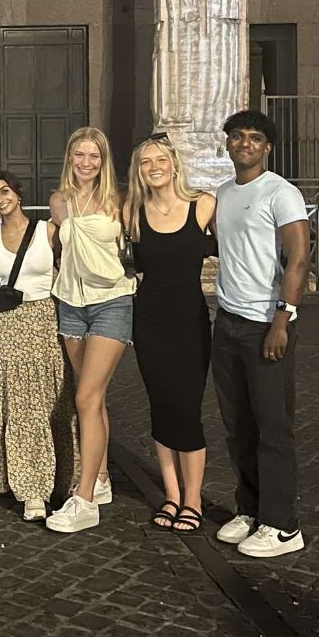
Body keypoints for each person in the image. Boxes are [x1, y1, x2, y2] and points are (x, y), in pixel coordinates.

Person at [210, 109, 311, 558]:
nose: (245, 143)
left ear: (267, 148)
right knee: (239, 426)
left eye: (254, 138)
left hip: (265, 325)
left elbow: (299, 258)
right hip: (228, 321)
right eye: (237, 136)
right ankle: (249, 508)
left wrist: (282, 320)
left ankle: (283, 525)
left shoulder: (281, 192)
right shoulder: (225, 192)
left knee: (273, 427)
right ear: (228, 144)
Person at [44, 126, 136, 534]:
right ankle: (100, 480)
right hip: (70, 304)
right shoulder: (59, 202)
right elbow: (59, 251)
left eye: (93, 157)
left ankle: (82, 502)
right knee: (91, 399)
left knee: (85, 395)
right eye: (79, 155)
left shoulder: (120, 201)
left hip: (111, 302)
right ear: (70, 158)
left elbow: (140, 248)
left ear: (104, 161)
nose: (86, 163)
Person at [125, 133, 216, 534]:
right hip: (149, 322)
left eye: (160, 159)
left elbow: (240, 246)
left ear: (174, 163)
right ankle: (172, 494)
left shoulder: (204, 205)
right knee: (161, 407)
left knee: (187, 409)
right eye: (145, 162)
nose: (153, 167)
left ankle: (193, 499)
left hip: (190, 321)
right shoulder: (133, 212)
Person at [0, 170, 77, 522]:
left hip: (45, 321)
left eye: (4, 191)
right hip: (9, 325)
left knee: (54, 401)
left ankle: (63, 481)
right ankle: (31, 490)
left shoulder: (47, 231)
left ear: (18, 194)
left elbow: (68, 270)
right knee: (22, 409)